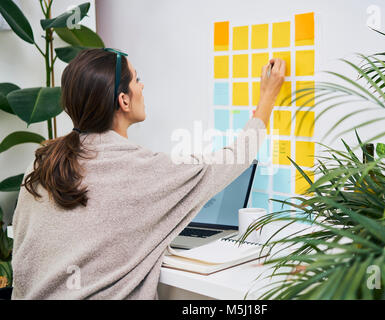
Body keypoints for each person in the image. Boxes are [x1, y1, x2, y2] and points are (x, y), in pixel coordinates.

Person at [11, 48, 285, 299]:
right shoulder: (141, 168)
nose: (142, 86)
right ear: (124, 100)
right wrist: (268, 96)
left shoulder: (42, 164)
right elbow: (235, 157)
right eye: (136, 79)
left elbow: (23, 261)